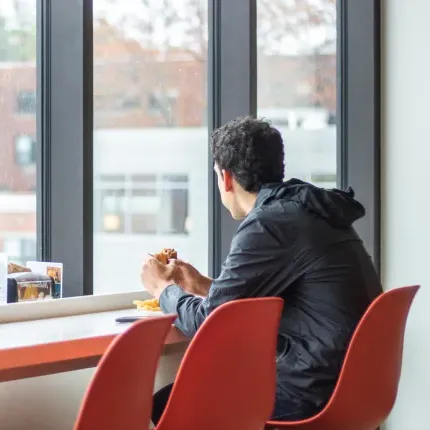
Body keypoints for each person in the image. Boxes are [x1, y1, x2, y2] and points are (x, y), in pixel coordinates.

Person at [141, 116, 382, 424]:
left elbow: (208, 325)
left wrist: (162, 289)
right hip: (353, 386)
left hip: (310, 393)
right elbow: (289, 297)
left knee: (171, 402)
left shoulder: (270, 224)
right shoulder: (307, 209)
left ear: (226, 178)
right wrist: (202, 285)